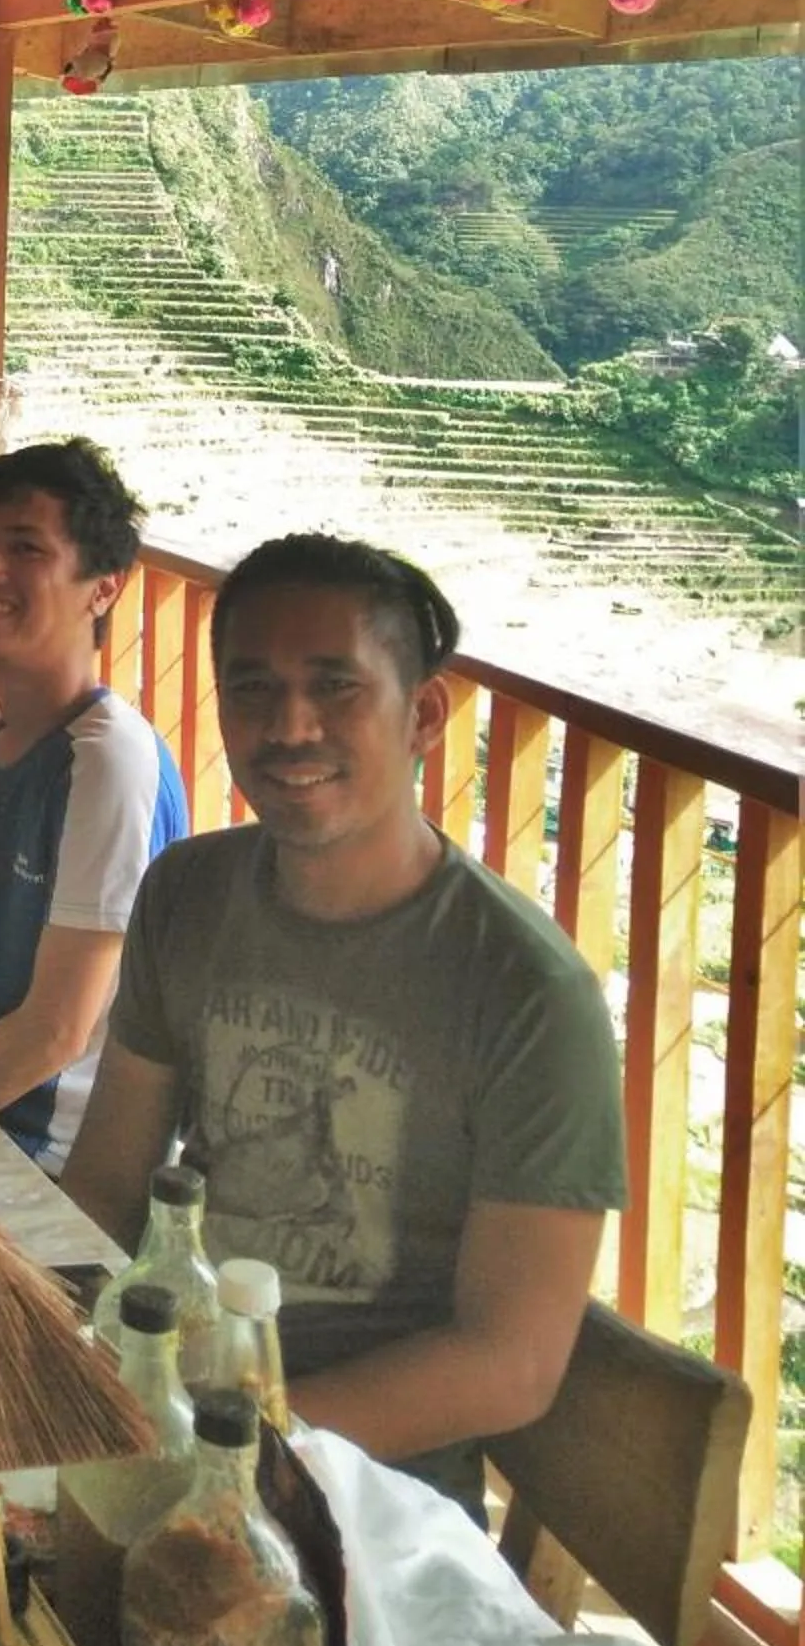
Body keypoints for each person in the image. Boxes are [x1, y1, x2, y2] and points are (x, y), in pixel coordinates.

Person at [61, 532, 627, 1516]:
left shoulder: (528, 994)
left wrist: (235, 1446)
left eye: (336, 687)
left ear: (422, 716)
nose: (290, 727)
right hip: (158, 1408)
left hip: (365, 1494)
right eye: (251, 688)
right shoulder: (188, 894)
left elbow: (509, 1362)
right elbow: (109, 1185)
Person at [0, 440, 189, 1172]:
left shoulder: (108, 760)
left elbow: (58, 1030)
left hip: (46, 1152)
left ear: (103, 588)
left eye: (26, 548)